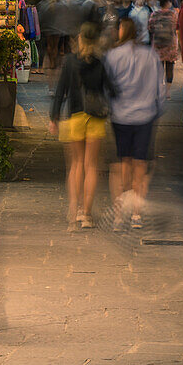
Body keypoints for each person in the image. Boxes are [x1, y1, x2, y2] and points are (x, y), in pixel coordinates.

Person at [50, 23, 117, 231]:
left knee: (76, 165)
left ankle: (75, 209)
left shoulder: (70, 61)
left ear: (80, 39)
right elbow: (112, 90)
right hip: (95, 118)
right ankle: (87, 215)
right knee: (91, 166)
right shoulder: (100, 62)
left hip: (74, 116)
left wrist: (54, 117)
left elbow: (60, 91)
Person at [104, 17, 163, 229]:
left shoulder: (112, 55)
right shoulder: (150, 55)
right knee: (141, 165)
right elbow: (160, 88)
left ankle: (119, 215)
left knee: (122, 164)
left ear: (122, 30)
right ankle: (136, 215)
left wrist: (110, 106)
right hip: (145, 116)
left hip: (120, 116)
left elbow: (107, 86)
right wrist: (157, 109)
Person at [149, 0, 179, 98]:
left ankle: (159, 90)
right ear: (168, 3)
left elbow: (150, 28)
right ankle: (167, 92)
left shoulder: (154, 14)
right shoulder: (173, 14)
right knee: (170, 68)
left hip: (158, 45)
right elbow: (176, 27)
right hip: (170, 45)